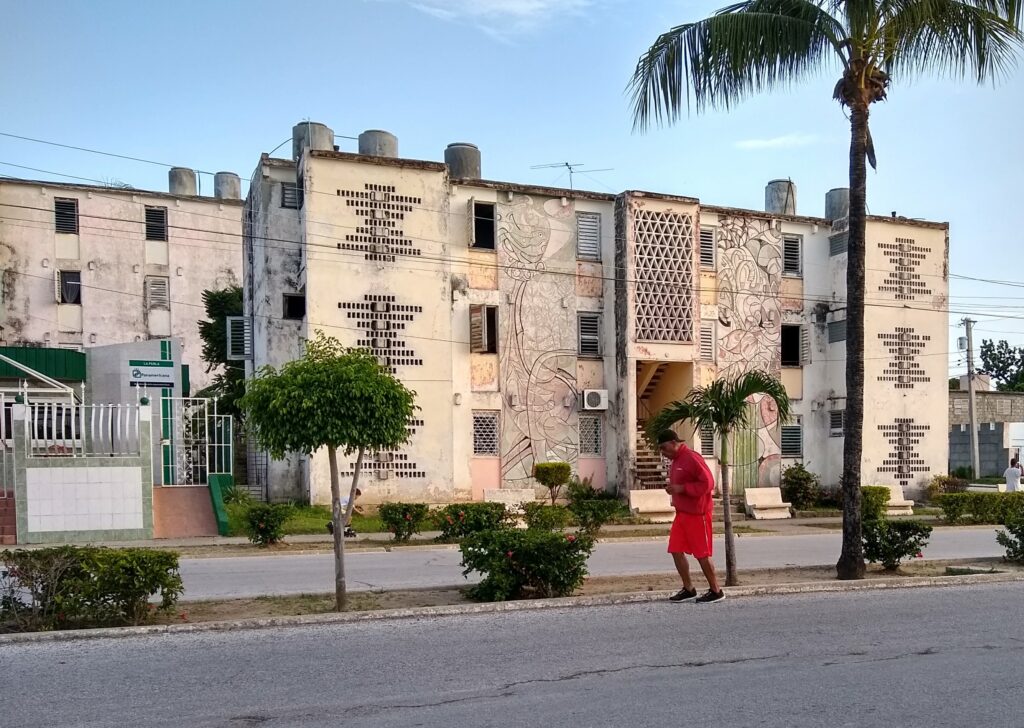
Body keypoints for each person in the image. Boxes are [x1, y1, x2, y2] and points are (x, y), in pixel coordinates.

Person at [657, 429, 725, 604]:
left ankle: (716, 590)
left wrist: (682, 489)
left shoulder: (692, 457)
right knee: (675, 550)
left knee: (702, 554)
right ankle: (688, 588)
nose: (663, 453)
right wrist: (674, 490)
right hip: (682, 514)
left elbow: (708, 483)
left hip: (698, 514)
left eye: (664, 448)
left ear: (674, 442)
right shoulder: (676, 461)